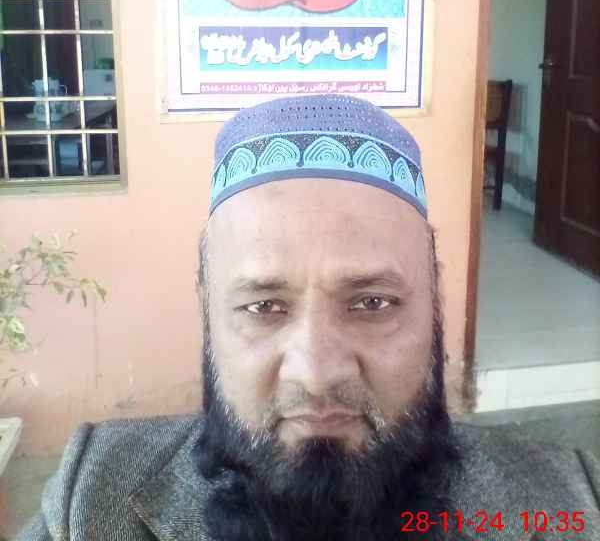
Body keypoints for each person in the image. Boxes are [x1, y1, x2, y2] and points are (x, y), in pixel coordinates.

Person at [18, 95, 600, 540]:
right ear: (208, 313)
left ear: (435, 306)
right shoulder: (90, 497)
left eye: (372, 303)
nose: (317, 374)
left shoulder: (572, 503)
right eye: (263, 307)